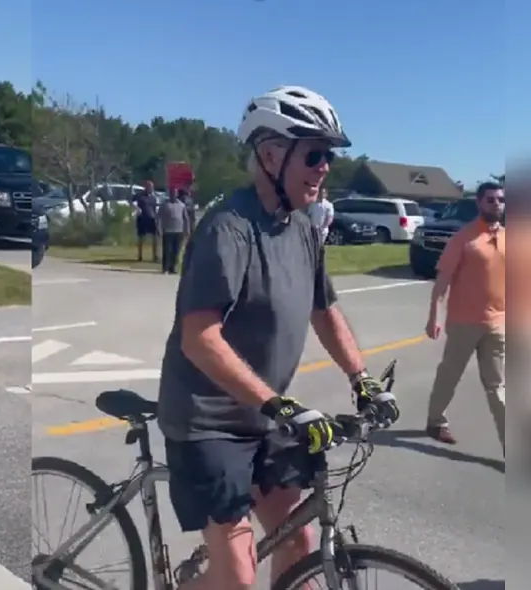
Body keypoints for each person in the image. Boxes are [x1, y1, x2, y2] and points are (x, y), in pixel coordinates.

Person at [157, 86, 400, 590]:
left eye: (328, 156)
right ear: (270, 154)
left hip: (263, 416)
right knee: (239, 576)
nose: (324, 166)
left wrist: (362, 380)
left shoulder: (304, 228)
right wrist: (278, 405)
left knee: (296, 541)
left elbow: (324, 310)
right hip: (207, 422)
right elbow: (198, 337)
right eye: (313, 154)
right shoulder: (229, 229)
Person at [424, 181, 505, 453]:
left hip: (498, 324)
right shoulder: (464, 239)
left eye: (500, 200)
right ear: (479, 203)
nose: (497, 204)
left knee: (497, 387)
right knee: (450, 374)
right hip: (464, 323)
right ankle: (436, 421)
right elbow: (442, 281)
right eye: (491, 200)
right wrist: (433, 316)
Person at [157, 188, 189, 274]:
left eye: (175, 193)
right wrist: (159, 228)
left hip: (179, 231)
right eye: (172, 193)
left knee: (176, 250)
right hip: (167, 230)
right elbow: (159, 217)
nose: (173, 195)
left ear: (177, 194)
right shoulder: (164, 205)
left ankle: (173, 268)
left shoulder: (182, 205)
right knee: (167, 250)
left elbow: (186, 218)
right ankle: (165, 268)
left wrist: (187, 230)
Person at [133, 180, 159, 262]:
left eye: (152, 187)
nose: (151, 188)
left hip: (152, 219)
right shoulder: (140, 196)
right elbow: (132, 202)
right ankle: (140, 256)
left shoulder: (154, 197)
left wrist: (156, 217)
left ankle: (155, 256)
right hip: (142, 218)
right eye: (149, 187)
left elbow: (155, 208)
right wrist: (136, 209)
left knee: (155, 238)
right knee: (141, 238)